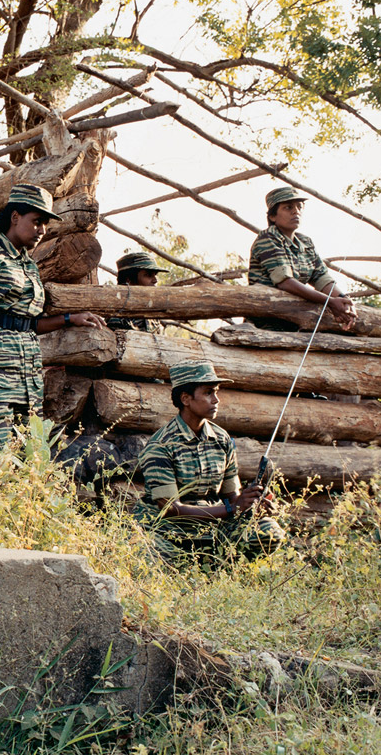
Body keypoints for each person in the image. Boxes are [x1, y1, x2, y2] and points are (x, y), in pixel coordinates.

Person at [0, 183, 106, 445]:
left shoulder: (29, 265)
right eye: (36, 221)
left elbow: (26, 324)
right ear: (15, 217)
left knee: (27, 453)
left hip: (26, 377)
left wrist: (70, 319)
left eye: (45, 224)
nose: (42, 230)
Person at [135, 360, 283, 562]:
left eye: (216, 392)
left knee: (268, 531)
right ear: (186, 399)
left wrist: (250, 504)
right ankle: (189, 569)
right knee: (148, 554)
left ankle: (223, 571)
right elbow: (171, 508)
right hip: (168, 532)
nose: (216, 400)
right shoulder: (161, 446)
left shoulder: (221, 440)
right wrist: (232, 509)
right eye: (208, 393)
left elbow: (232, 496)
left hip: (213, 528)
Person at [247, 186, 356, 331]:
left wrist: (344, 300)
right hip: (265, 322)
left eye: (299, 207)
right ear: (272, 216)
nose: (296, 212)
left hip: (294, 320)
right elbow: (285, 282)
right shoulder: (268, 238)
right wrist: (330, 302)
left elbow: (322, 278)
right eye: (288, 207)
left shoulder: (305, 242)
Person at [107, 251, 168, 333]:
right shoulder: (117, 316)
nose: (155, 280)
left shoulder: (153, 314)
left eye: (155, 275)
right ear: (128, 280)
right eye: (148, 275)